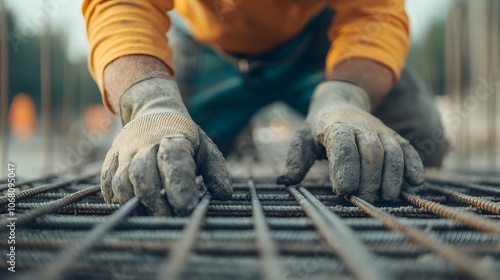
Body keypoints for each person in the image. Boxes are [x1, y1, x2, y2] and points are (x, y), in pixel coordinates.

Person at [82, 0, 449, 216]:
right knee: (147, 166)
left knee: (415, 140)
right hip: (204, 45)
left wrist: (347, 97)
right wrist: (151, 104)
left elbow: (375, 12)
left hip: (318, 41)